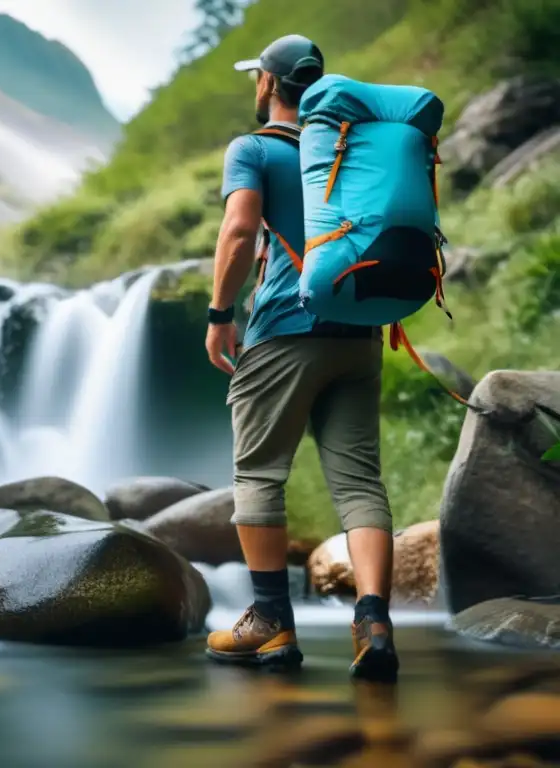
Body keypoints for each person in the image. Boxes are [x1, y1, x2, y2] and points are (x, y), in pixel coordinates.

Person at [202, 34, 399, 683]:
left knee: (259, 473)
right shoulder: (350, 150)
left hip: (286, 327)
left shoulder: (253, 147)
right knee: (360, 483)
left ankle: (270, 622)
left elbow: (238, 231)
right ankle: (373, 623)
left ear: (266, 84)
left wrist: (220, 314)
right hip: (359, 335)